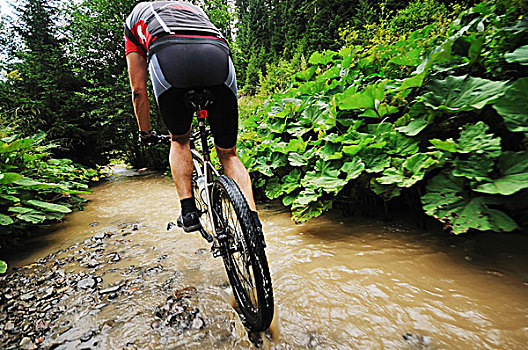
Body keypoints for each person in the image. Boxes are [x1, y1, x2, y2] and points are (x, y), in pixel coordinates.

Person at [124, 0, 261, 232]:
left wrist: (145, 133)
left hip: (169, 55)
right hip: (216, 53)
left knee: (179, 140)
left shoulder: (135, 17)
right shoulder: (194, 9)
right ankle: (253, 223)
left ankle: (188, 212)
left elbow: (138, 90)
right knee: (228, 154)